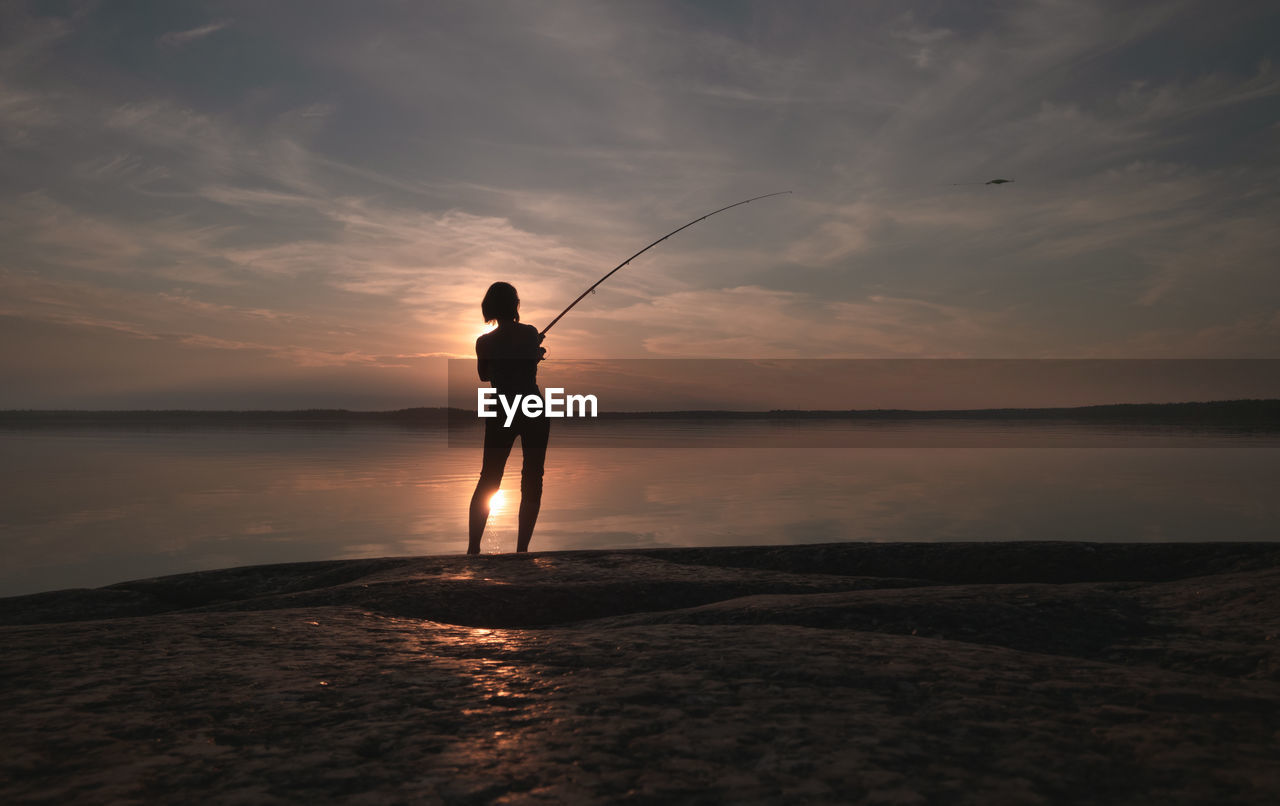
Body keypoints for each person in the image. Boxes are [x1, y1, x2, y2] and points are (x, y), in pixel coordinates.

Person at [468, 282, 549, 554]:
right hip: (532, 407)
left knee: (489, 477)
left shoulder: (483, 342)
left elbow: (484, 375)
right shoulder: (529, 333)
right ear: (514, 305)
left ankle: (473, 549)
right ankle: (522, 550)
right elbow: (529, 360)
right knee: (532, 476)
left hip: (501, 408)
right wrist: (535, 353)